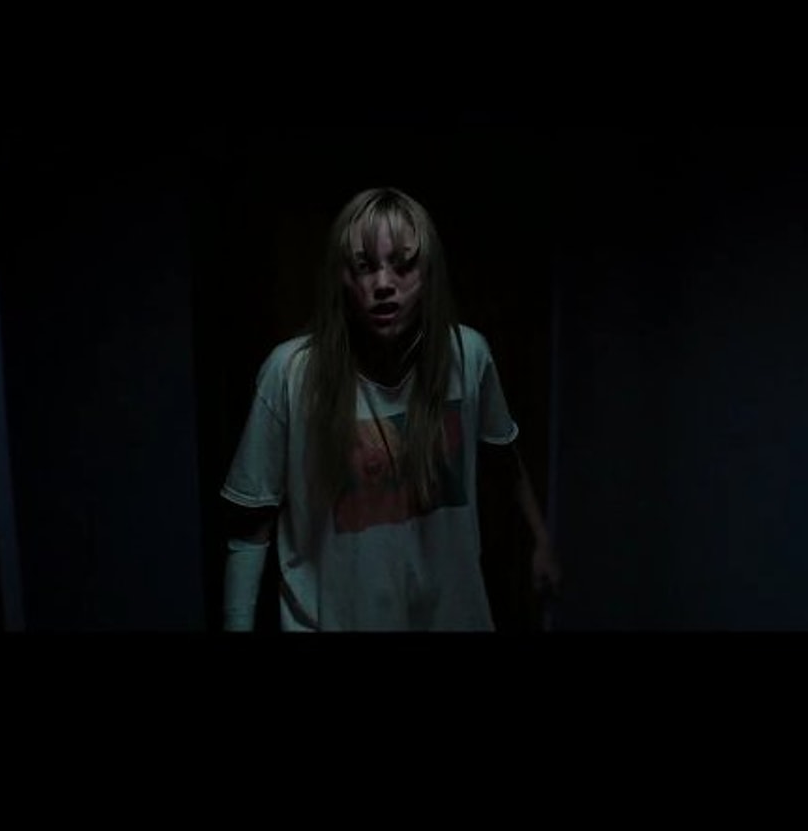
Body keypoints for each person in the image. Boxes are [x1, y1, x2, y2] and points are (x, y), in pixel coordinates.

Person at [220, 187, 561, 631]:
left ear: (429, 272)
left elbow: (503, 457)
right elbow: (251, 525)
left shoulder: (468, 356)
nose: (383, 284)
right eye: (364, 266)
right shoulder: (290, 373)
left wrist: (540, 540)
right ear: (341, 276)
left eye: (403, 265)